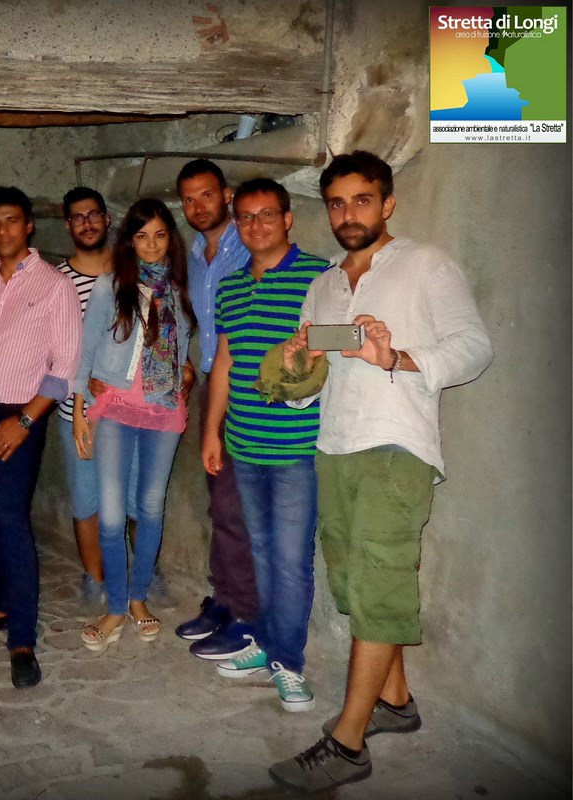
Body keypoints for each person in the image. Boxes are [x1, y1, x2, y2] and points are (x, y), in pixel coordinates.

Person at [269, 151, 493, 791]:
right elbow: (311, 386)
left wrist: (396, 356)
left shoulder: (426, 264)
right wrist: (297, 364)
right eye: (337, 203)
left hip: (396, 449)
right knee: (354, 586)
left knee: (378, 585)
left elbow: (474, 347)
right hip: (335, 447)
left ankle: (348, 744)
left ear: (387, 203)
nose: (348, 214)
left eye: (362, 200)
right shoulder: (324, 285)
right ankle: (395, 701)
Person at [199, 178, 330, 711]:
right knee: (259, 552)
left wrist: (315, 346)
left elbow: (340, 341)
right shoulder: (230, 287)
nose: (256, 225)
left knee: (291, 560)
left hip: (297, 447)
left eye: (267, 214)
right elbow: (224, 364)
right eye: (246, 217)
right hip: (244, 443)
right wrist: (212, 430)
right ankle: (269, 643)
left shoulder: (319, 276)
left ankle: (289, 663)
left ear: (288, 218)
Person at [0, 186, 81, 688]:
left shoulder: (55, 285)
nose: (2, 230)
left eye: (11, 220)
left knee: (10, 518)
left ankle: (23, 639)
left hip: (20, 416)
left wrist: (26, 421)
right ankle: (3, 606)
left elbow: (65, 367)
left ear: (29, 225)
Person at [72, 198, 196, 650]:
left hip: (163, 410)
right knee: (110, 512)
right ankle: (115, 606)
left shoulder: (179, 288)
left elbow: (184, 349)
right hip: (116, 407)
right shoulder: (110, 286)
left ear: (170, 239)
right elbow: (86, 351)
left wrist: (185, 375)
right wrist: (80, 411)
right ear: (129, 241)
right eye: (142, 236)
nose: (151, 244)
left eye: (160, 235)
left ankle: (138, 598)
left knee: (150, 507)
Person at [173, 159, 260, 662]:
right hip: (213, 384)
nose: (198, 206)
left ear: (226, 194)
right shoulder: (193, 255)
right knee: (221, 506)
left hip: (246, 388)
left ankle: (245, 616)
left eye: (206, 195)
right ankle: (226, 599)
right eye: (188, 199)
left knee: (237, 508)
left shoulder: (246, 243)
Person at [54, 187, 113, 613]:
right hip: (77, 411)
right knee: (87, 498)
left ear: (107, 219)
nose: (87, 223)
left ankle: (138, 572)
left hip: (131, 408)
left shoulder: (130, 270)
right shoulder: (58, 283)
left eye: (94, 214)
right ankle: (94, 577)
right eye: (78, 217)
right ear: (68, 225)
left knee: (133, 499)